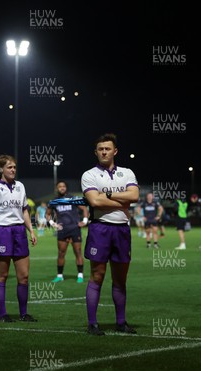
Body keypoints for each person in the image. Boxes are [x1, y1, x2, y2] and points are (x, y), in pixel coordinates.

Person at [81, 133, 139, 335]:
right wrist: (122, 200)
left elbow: (135, 196)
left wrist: (106, 194)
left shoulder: (127, 172)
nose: (104, 152)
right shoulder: (89, 175)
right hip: (100, 228)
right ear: (96, 152)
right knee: (97, 275)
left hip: (122, 229)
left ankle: (121, 322)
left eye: (107, 148)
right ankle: (92, 324)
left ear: (115, 151)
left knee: (120, 279)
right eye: (100, 149)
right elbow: (94, 202)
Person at [0, 155, 37, 322]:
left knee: (24, 276)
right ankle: (3, 315)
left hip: (19, 232)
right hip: (2, 233)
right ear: (1, 169)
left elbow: (24, 210)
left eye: (14, 167)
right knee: (2, 275)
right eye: (9, 167)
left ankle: (23, 313)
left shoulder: (20, 186)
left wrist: (31, 231)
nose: (13, 170)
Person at [46, 181, 88, 283]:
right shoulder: (54, 201)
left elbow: (84, 209)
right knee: (61, 253)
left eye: (64, 186)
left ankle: (80, 275)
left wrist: (85, 221)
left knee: (78, 252)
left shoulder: (72, 199)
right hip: (62, 230)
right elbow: (47, 214)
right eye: (60, 186)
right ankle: (60, 276)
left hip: (74, 229)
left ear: (66, 188)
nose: (62, 188)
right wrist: (53, 223)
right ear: (57, 188)